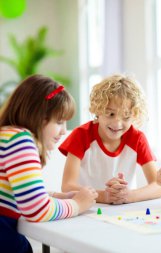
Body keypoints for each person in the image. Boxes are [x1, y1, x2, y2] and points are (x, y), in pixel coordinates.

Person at [0, 75, 98, 253]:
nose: (63, 131)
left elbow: (15, 193)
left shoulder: (5, 135)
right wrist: (78, 204)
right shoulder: (20, 139)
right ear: (38, 116)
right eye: (59, 122)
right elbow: (37, 209)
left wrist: (55, 196)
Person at [60, 74, 161, 204]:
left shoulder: (137, 138)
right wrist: (105, 196)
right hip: (87, 209)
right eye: (110, 114)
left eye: (126, 117)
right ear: (98, 110)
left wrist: (128, 196)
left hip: (123, 211)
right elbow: (67, 186)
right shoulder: (81, 135)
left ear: (135, 115)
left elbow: (159, 186)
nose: (117, 124)